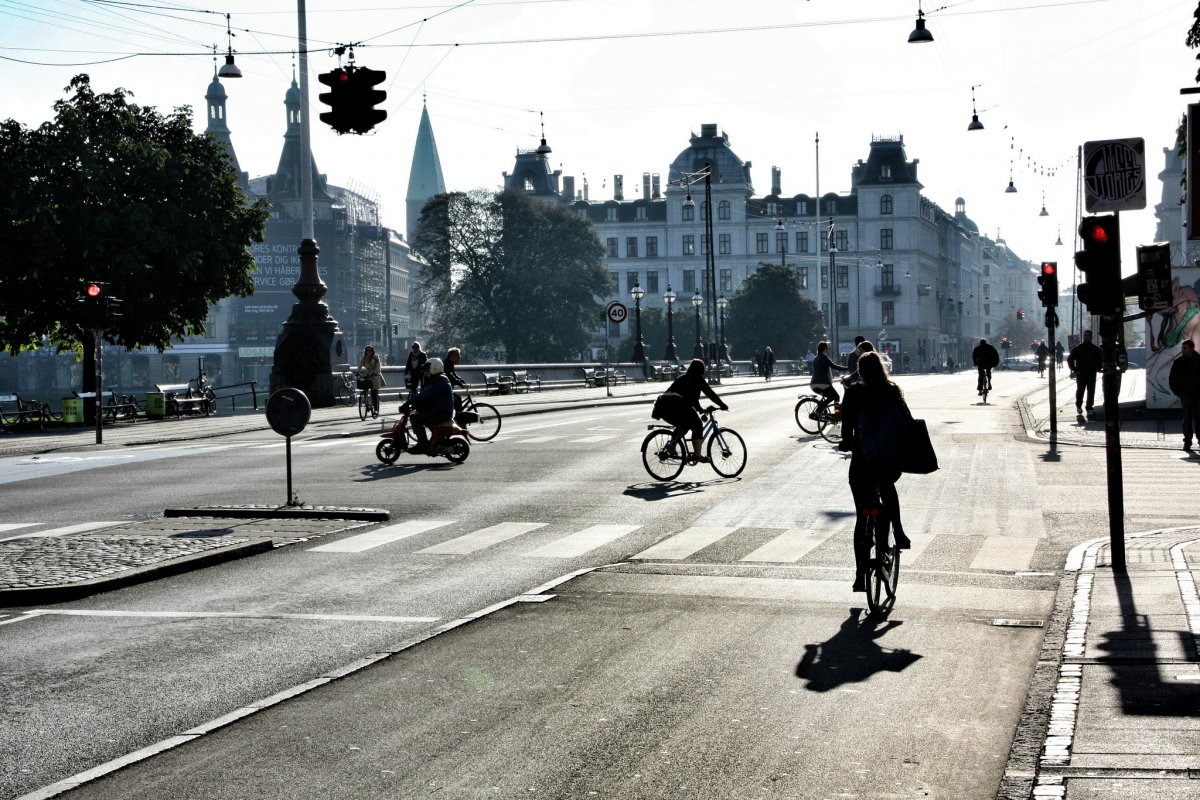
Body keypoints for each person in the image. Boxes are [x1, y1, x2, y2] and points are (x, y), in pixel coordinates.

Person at [838, 351, 913, 592]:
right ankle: (897, 534)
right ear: (881, 368)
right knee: (887, 489)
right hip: (887, 461)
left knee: (862, 517)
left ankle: (860, 575)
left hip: (861, 463)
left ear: (859, 371)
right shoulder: (891, 390)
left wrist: (847, 442)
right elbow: (907, 422)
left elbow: (846, 429)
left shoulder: (853, 394)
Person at [653, 358, 728, 464]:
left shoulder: (681, 378)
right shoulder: (698, 379)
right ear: (701, 370)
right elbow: (710, 393)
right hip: (678, 405)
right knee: (697, 425)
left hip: (663, 407)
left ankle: (671, 447)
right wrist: (722, 405)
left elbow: (691, 398)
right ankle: (697, 455)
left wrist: (700, 409)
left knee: (684, 425)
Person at [400, 357, 454, 454]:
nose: (426, 371)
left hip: (441, 413)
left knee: (415, 418)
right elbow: (426, 395)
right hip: (440, 411)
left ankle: (422, 443)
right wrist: (415, 404)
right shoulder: (438, 380)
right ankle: (432, 440)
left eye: (428, 368)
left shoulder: (440, 381)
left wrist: (408, 403)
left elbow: (425, 394)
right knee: (420, 413)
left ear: (434, 368)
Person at [1169, 339, 1200, 450]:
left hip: (1197, 395)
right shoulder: (1179, 362)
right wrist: (1179, 393)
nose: (1183, 350)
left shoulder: (1198, 361)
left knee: (1198, 419)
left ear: (1192, 348)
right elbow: (1172, 379)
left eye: (1185, 348)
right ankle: (1187, 441)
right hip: (1185, 395)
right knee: (1187, 419)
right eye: (1182, 348)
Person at [1067, 330, 1103, 417]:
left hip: (1091, 373)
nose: (1086, 337)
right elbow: (1070, 359)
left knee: (1091, 391)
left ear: (1091, 337)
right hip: (1081, 373)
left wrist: (1098, 368)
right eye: (1085, 335)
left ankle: (1089, 407)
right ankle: (1079, 405)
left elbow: (1100, 360)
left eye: (1088, 335)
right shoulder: (1078, 349)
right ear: (1083, 337)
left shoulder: (1096, 349)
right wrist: (1075, 370)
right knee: (1080, 390)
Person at [810, 341, 850, 412]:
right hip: (823, 383)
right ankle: (836, 413)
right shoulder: (823, 357)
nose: (828, 349)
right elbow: (835, 366)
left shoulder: (815, 358)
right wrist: (848, 368)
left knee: (829, 397)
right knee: (836, 397)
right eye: (827, 347)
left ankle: (822, 411)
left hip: (813, 384)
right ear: (824, 348)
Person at [357, 345, 382, 412]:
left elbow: (378, 366)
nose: (369, 352)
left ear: (372, 351)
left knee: (374, 392)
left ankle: (375, 408)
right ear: (365, 351)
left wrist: (375, 372)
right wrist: (357, 372)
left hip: (374, 376)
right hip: (366, 375)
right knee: (365, 389)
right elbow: (360, 365)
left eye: (370, 350)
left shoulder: (376, 357)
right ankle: (367, 403)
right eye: (367, 350)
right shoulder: (364, 358)